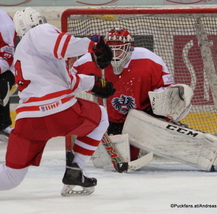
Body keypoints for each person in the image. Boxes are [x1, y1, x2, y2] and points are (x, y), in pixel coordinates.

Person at [0, 7, 115, 195]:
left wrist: (93, 83)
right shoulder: (39, 32)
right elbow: (63, 45)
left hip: (28, 122)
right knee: (100, 117)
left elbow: (66, 79)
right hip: (59, 112)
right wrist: (93, 45)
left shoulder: (23, 52)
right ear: (37, 20)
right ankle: (76, 169)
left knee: (11, 176)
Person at [72, 28, 174, 161]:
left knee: (177, 97)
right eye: (111, 50)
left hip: (144, 116)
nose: (114, 54)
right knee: (126, 157)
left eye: (119, 50)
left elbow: (167, 89)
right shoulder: (88, 61)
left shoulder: (149, 60)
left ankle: (158, 139)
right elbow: (68, 83)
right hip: (112, 121)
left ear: (129, 49)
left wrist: (160, 108)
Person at [0, 0, 16, 142]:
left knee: (1, 80)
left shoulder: (4, 24)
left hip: (2, 68)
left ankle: (3, 125)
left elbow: (4, 59)